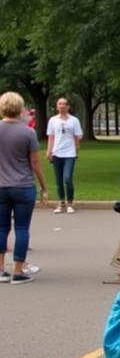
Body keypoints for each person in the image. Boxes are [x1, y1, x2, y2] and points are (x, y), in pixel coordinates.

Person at [1, 91, 48, 283]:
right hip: (23, 185)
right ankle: (18, 270)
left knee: (2, 227)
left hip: (1, 186)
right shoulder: (28, 132)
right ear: (20, 109)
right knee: (22, 227)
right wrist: (43, 186)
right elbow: (35, 162)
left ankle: (1, 268)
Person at [46, 96, 83, 213]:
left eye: (64, 104)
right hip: (57, 152)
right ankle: (61, 203)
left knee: (67, 178)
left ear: (68, 107)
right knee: (58, 180)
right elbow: (51, 137)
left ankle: (70, 203)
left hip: (69, 153)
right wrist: (49, 151)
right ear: (57, 107)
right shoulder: (53, 120)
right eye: (60, 104)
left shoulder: (74, 121)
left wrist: (77, 150)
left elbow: (77, 137)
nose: (62, 106)